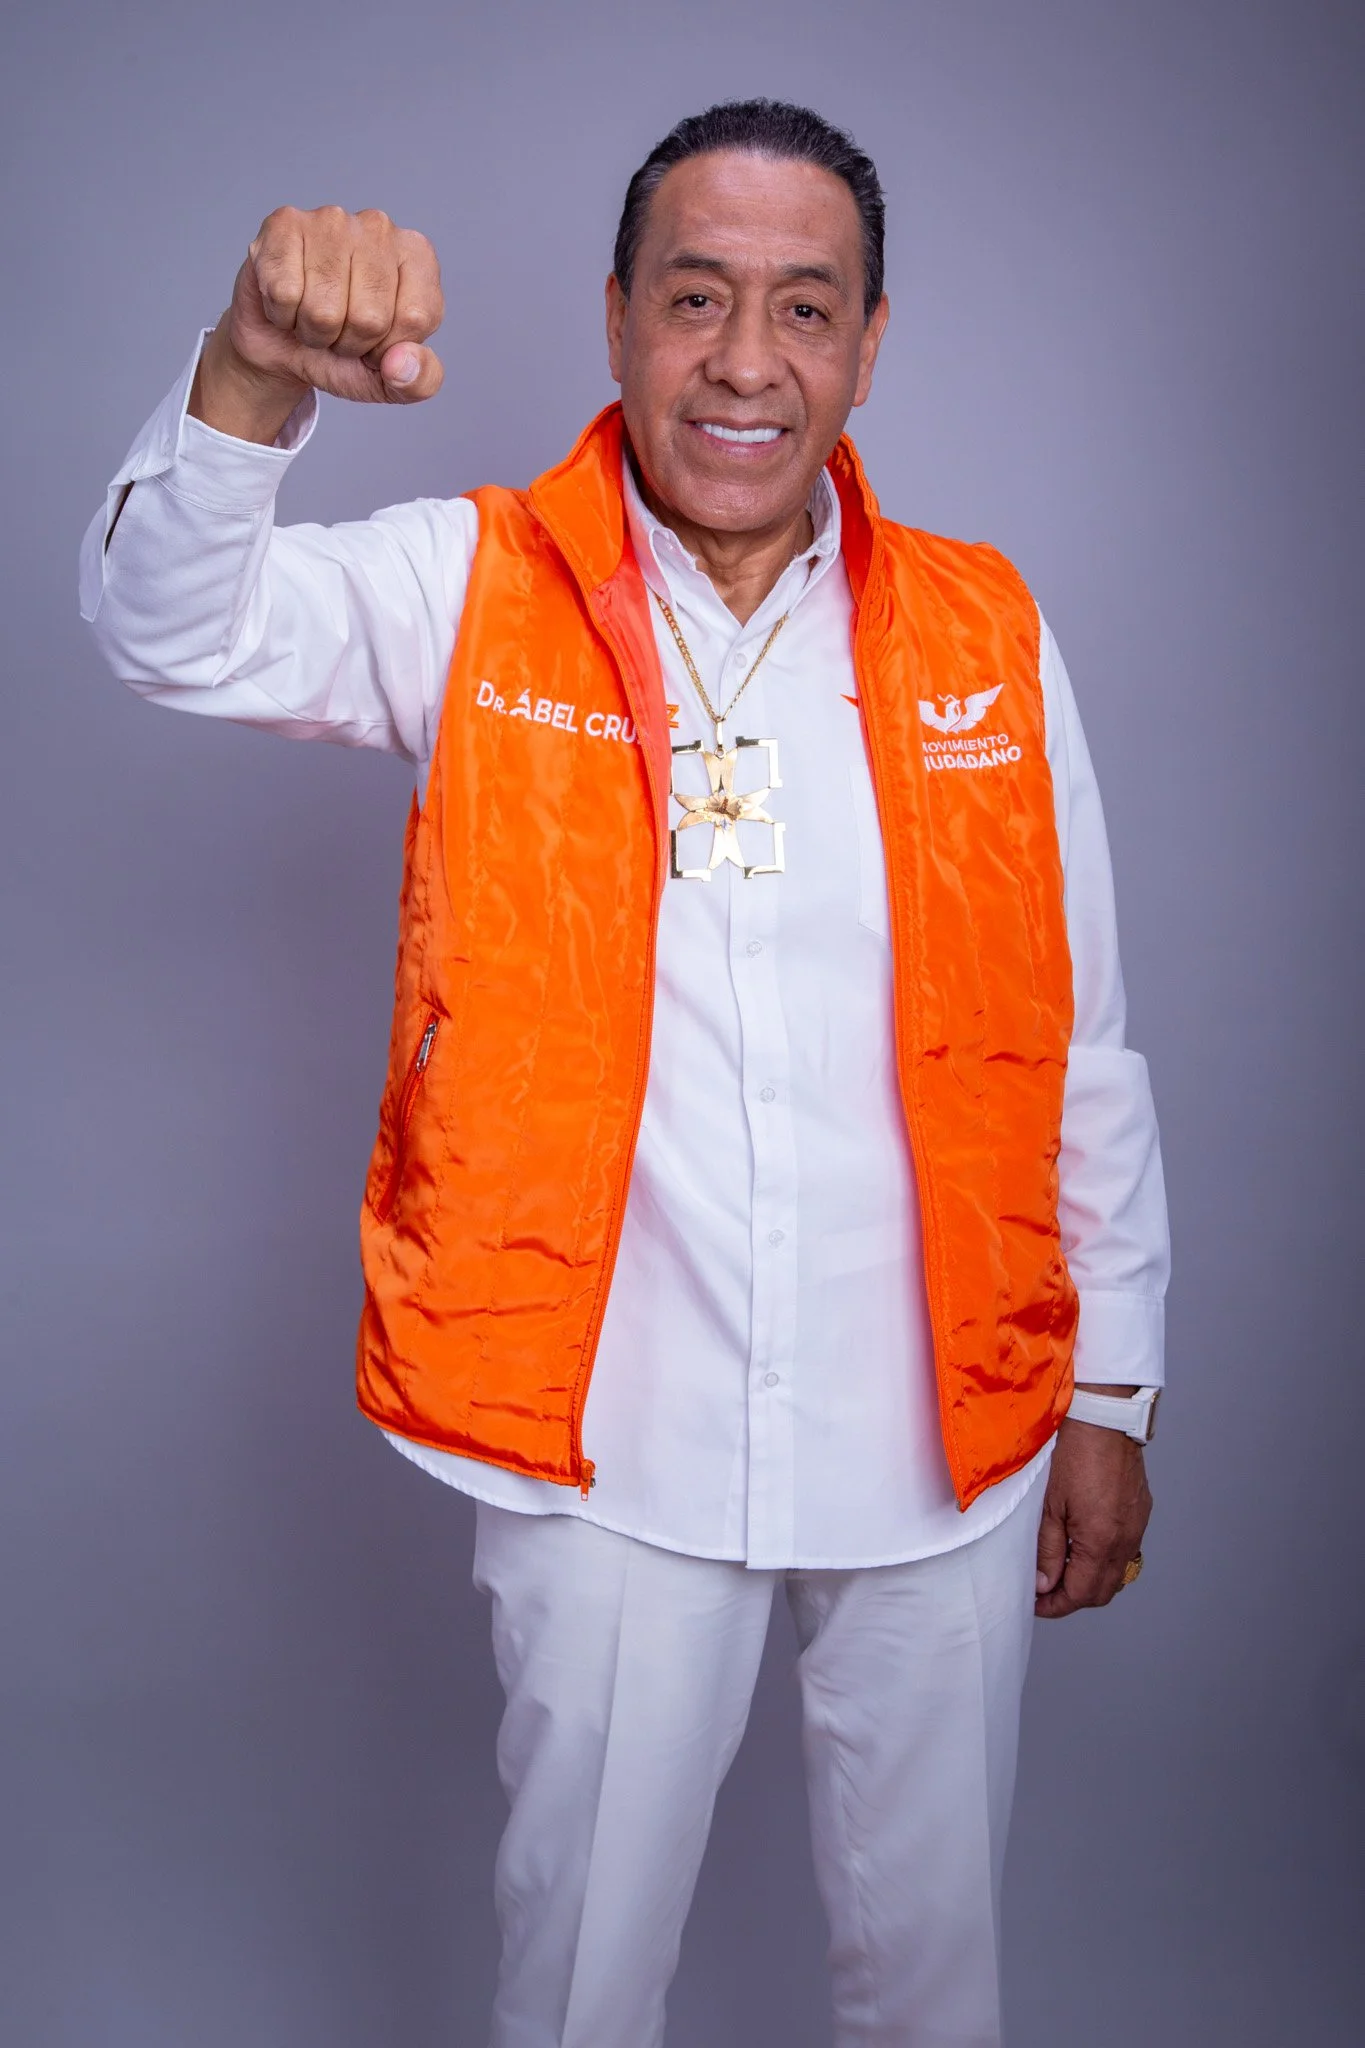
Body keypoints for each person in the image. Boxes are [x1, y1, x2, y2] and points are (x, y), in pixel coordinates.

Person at [81, 98, 1168, 2048]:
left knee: (935, 1977)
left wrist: (1110, 1387)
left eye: (803, 308)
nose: (746, 360)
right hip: (603, 1436)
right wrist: (250, 373)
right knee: (581, 1978)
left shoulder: (986, 631)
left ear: (868, 346)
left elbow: (1077, 1033)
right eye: (694, 297)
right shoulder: (472, 583)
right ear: (614, 320)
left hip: (946, 1423)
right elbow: (173, 629)